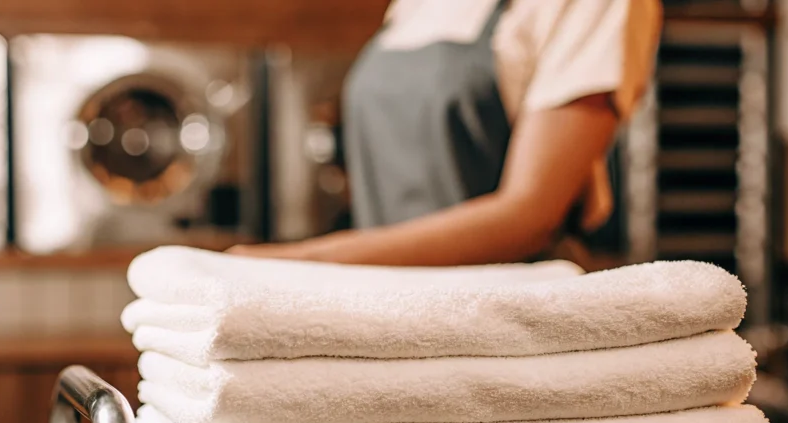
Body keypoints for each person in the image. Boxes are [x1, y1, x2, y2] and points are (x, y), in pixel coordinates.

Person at [230, 0, 663, 266]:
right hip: (384, 303)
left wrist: (302, 262)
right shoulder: (416, 4)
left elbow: (530, 216)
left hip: (509, 319)